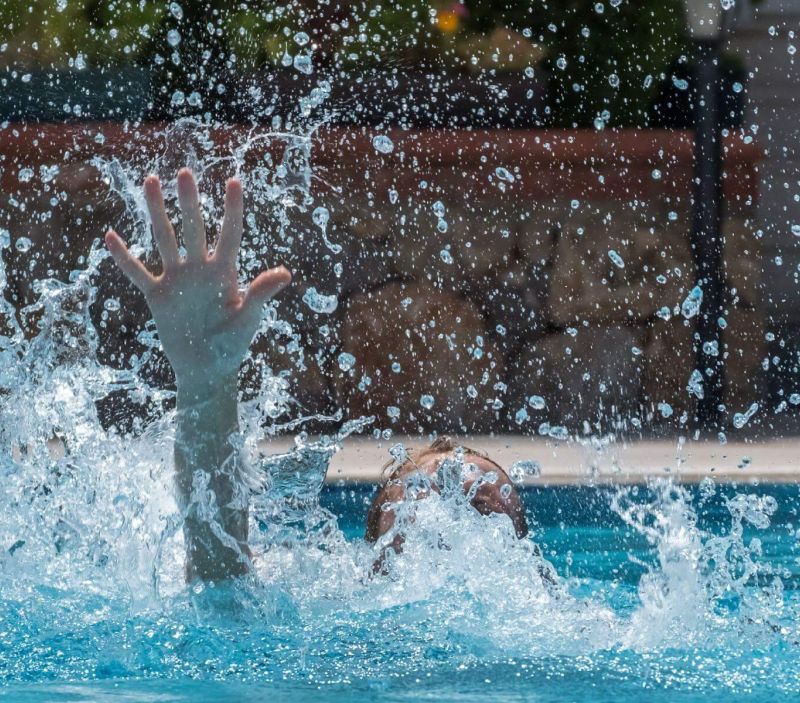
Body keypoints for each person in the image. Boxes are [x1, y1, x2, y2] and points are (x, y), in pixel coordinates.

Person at [106, 169, 534, 583]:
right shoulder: (344, 614)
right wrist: (205, 385)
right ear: (373, 564)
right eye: (429, 483)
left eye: (479, 495)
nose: (455, 488)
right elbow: (222, 587)